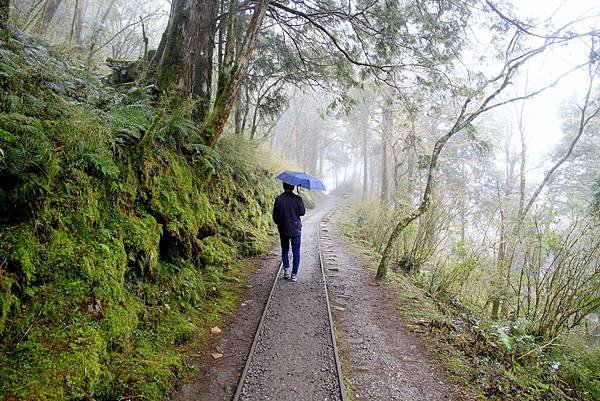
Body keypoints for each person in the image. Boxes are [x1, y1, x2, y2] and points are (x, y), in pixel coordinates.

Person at [272, 181, 306, 282]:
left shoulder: (278, 199)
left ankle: (286, 271)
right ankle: (294, 275)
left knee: (285, 250)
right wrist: (299, 200)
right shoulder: (298, 199)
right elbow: (302, 212)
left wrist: (279, 224)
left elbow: (275, 216)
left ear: (283, 186)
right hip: (296, 229)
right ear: (293, 187)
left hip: (283, 229)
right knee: (296, 252)